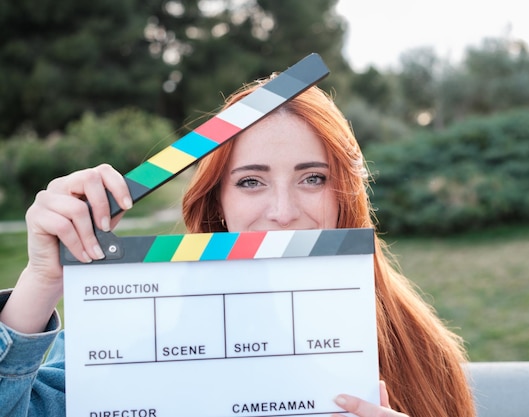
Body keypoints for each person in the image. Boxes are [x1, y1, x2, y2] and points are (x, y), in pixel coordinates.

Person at [0, 78, 476, 417]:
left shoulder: (418, 348)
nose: (283, 211)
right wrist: (41, 282)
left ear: (344, 194)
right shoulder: (132, 326)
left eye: (313, 178)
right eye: (251, 182)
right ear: (218, 202)